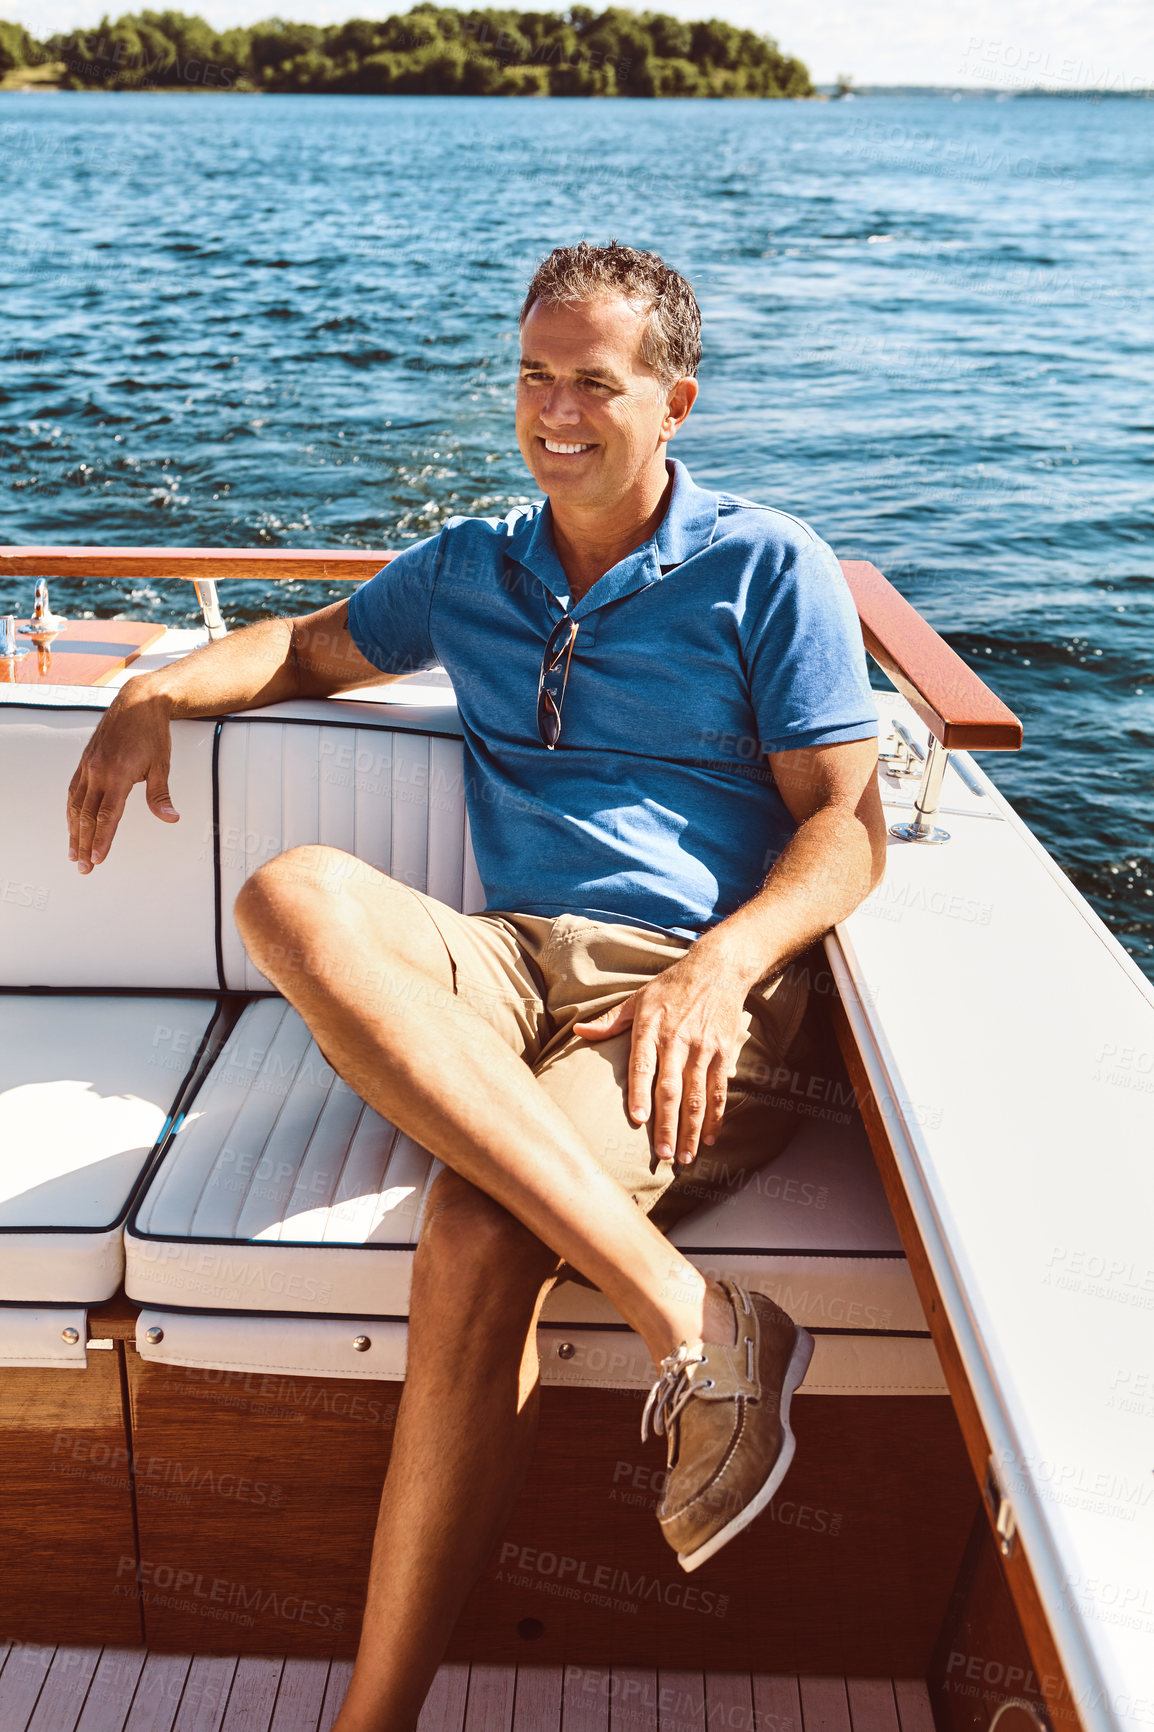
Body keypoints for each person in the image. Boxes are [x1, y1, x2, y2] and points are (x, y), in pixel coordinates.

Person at [67, 241, 886, 1732]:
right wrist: (150, 691)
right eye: (532, 375)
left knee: (472, 1231)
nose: (552, 411)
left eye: (593, 382)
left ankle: (370, 1720)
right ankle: (694, 1318)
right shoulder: (476, 563)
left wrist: (719, 968)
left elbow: (844, 824)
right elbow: (307, 649)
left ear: (673, 400)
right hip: (510, 951)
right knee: (287, 891)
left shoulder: (771, 566)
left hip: (689, 984)